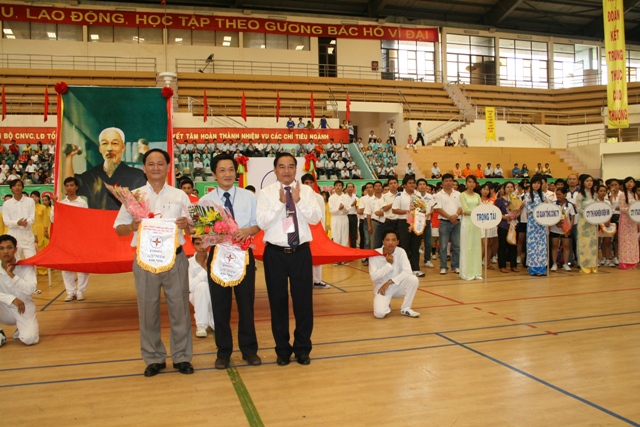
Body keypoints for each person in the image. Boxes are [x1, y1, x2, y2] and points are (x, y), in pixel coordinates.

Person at [114, 149, 194, 377]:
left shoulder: (180, 195)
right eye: (151, 164)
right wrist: (132, 226)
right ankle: (154, 358)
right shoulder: (134, 197)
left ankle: (182, 356)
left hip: (175, 258)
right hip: (145, 260)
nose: (156, 168)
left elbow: (194, 227)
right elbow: (119, 228)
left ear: (168, 167)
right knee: (147, 311)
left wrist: (186, 225)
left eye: (160, 163)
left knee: (180, 310)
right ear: (144, 168)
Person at [256, 153, 322, 366]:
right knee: (277, 303)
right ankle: (282, 350)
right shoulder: (266, 193)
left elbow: (315, 218)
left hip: (300, 252)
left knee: (304, 303)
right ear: (275, 170)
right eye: (282, 166)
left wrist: (298, 201)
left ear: (296, 169)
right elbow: (262, 222)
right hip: (275, 253)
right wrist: (280, 203)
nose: (286, 170)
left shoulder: (307, 191)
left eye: (290, 166)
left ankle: (303, 349)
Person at [197, 154, 261, 368]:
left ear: (236, 172)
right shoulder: (205, 202)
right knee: (220, 305)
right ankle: (223, 352)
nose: (227, 174)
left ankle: (249, 350)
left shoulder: (249, 197)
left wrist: (247, 231)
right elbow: (201, 232)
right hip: (218, 257)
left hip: (244, 255)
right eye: (222, 170)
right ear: (214, 174)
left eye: (231, 170)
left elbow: (258, 224)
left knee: (246, 305)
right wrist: (211, 237)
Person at [65, 127, 146, 210]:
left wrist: (148, 155)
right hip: (97, 218)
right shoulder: (91, 175)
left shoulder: (137, 176)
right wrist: (69, 157)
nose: (109, 148)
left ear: (123, 147)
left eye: (114, 143)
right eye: (105, 143)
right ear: (100, 149)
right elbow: (69, 188)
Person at [51, 177, 91, 301]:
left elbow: (86, 219)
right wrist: (54, 205)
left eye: (72, 185)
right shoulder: (61, 203)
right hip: (66, 237)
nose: (69, 188)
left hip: (79, 237)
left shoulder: (82, 202)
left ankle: (80, 291)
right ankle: (70, 292)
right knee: (66, 264)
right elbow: (53, 219)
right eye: (67, 186)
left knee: (82, 264)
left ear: (76, 187)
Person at [368, 229, 420, 319]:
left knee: (413, 279)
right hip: (381, 288)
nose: (390, 243)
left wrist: (389, 282)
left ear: (397, 242)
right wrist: (389, 265)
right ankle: (386, 304)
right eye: (387, 240)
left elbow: (408, 271)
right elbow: (373, 277)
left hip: (396, 285)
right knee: (379, 314)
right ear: (383, 241)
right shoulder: (374, 254)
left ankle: (406, 308)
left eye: (393, 240)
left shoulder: (401, 251)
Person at [0, 234, 39, 346]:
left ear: (16, 249)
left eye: (9, 248)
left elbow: (30, 289)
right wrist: (11, 299)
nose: (5, 252)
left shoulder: (26, 266)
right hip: (3, 308)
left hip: (23, 307)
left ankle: (21, 328)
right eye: (1, 248)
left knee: (30, 339)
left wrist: (11, 274)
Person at [301, 174, 332, 289]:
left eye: (311, 182)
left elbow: (321, 216)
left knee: (317, 255)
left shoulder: (318, 197)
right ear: (302, 184)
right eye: (306, 183)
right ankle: (304, 280)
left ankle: (317, 280)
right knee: (303, 257)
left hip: (316, 230)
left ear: (314, 183)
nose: (309, 185)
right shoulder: (297, 196)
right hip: (303, 231)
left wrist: (322, 233)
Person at [392, 176, 425, 277]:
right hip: (404, 222)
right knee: (404, 246)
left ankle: (416, 269)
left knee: (415, 246)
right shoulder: (400, 195)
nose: (412, 185)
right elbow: (394, 210)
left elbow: (423, 209)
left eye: (413, 183)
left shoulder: (418, 195)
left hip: (416, 223)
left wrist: (420, 211)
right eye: (410, 183)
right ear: (404, 185)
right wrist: (408, 211)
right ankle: (403, 269)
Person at [187, 237, 215, 338]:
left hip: (214, 297)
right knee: (202, 286)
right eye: (198, 244)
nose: (202, 247)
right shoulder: (189, 263)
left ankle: (210, 319)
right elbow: (190, 287)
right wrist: (205, 270)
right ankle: (201, 326)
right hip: (196, 296)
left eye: (204, 243)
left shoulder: (215, 259)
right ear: (193, 245)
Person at [2, 180, 36, 260]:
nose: (17, 187)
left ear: (22, 187)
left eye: (19, 185)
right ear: (11, 188)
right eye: (14, 186)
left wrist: (25, 222)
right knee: (15, 260)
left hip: (27, 233)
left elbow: (32, 217)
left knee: (31, 259)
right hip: (13, 234)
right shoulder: (7, 204)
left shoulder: (30, 201)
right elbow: (6, 221)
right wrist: (17, 223)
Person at [435, 174, 462, 274]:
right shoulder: (438, 195)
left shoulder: (458, 194)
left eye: (450, 181)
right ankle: (443, 267)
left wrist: (455, 215)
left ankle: (455, 266)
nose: (448, 183)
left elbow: (461, 207)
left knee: (456, 246)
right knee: (443, 246)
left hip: (457, 222)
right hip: (444, 222)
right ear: (442, 182)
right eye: (446, 181)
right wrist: (450, 217)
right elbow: (438, 209)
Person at [459, 176, 483, 280]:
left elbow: (481, 207)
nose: (471, 184)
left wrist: (476, 212)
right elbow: (465, 209)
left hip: (476, 223)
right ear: (466, 183)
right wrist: (476, 212)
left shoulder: (477, 195)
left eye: (473, 182)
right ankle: (466, 273)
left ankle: (476, 272)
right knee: (467, 247)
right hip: (467, 222)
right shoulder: (462, 195)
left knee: (476, 247)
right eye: (469, 182)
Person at [524, 175, 548, 276]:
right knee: (532, 246)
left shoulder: (543, 195)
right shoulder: (527, 195)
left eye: (538, 183)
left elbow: (546, 207)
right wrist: (538, 208)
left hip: (541, 223)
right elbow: (528, 209)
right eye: (534, 183)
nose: (536, 185)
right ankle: (533, 269)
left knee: (542, 245)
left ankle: (542, 269)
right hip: (532, 223)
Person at [494, 182, 519, 273]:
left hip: (513, 225)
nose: (509, 188)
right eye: (507, 187)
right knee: (502, 246)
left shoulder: (516, 199)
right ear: (504, 189)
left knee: (513, 246)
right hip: (503, 225)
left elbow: (519, 210)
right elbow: (496, 212)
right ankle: (502, 266)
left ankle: (513, 265)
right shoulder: (500, 200)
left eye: (511, 187)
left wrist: (515, 216)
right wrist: (505, 217)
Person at [575, 175, 598, 274]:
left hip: (593, 223)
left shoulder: (595, 195)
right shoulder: (580, 195)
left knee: (593, 243)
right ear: (583, 182)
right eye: (587, 181)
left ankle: (593, 265)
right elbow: (579, 209)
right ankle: (584, 266)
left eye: (591, 181)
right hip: (583, 222)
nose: (589, 183)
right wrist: (588, 213)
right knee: (584, 244)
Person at [549, 186, 575, 272]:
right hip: (555, 228)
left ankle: (565, 264)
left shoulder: (570, 205)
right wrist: (556, 222)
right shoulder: (553, 204)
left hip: (566, 229)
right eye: (557, 194)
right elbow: (550, 216)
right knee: (554, 246)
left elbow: (572, 217)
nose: (558, 196)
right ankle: (554, 263)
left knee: (566, 246)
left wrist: (570, 228)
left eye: (560, 194)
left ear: (564, 194)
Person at [618, 177, 639, 269]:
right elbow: (621, 208)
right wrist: (630, 210)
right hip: (625, 219)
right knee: (625, 241)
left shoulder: (635, 195)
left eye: (631, 182)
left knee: (633, 240)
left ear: (634, 184)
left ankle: (633, 261)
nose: (629, 184)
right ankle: (624, 262)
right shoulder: (622, 194)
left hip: (633, 220)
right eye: (627, 182)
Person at [329, 180, 351, 259]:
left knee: (344, 237)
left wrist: (343, 208)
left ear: (342, 187)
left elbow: (348, 210)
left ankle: (344, 257)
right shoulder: (331, 197)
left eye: (340, 185)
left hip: (344, 217)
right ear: (334, 187)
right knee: (336, 237)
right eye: (336, 185)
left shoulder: (346, 197)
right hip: (336, 218)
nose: (338, 187)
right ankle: (336, 258)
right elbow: (331, 211)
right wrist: (338, 209)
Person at [30, 191, 50, 276]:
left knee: (41, 248)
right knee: (32, 249)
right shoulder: (28, 208)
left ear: (39, 198)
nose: (34, 198)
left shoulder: (43, 207)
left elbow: (46, 220)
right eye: (32, 196)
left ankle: (43, 269)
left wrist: (46, 230)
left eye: (36, 196)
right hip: (31, 229)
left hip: (41, 229)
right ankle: (33, 269)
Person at [345, 182, 358, 248]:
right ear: (346, 188)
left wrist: (355, 205)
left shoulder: (356, 197)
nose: (350, 188)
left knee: (353, 234)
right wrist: (352, 205)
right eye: (348, 187)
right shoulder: (344, 197)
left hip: (354, 217)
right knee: (345, 233)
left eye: (351, 187)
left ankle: (353, 248)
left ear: (353, 188)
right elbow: (345, 208)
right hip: (346, 216)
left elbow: (358, 208)